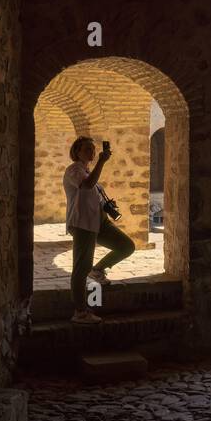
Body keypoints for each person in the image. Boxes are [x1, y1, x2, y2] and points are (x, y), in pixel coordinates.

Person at [63, 137, 136, 324]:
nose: (92, 153)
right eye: (87, 149)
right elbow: (86, 185)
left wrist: (105, 205)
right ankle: (80, 311)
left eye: (93, 150)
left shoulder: (87, 171)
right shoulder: (73, 170)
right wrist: (102, 162)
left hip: (99, 221)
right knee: (81, 267)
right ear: (77, 151)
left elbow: (91, 192)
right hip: (83, 224)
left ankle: (98, 270)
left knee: (126, 246)